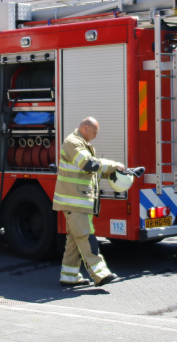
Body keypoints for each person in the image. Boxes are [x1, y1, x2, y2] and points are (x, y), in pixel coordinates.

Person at [53, 117, 124, 287]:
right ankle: (101, 274)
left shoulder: (82, 144)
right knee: (86, 236)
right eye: (95, 132)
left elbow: (90, 172)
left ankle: (69, 276)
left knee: (74, 240)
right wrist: (112, 165)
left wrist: (114, 173)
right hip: (75, 202)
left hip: (77, 201)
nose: (96, 136)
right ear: (86, 128)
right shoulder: (73, 143)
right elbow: (88, 164)